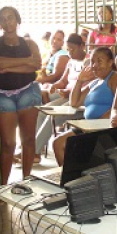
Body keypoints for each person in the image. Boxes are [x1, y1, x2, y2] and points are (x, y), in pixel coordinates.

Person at [0, 6, 42, 185]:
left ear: (17, 20)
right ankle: (3, 185)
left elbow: (37, 65)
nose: (7, 21)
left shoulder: (29, 43)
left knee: (28, 139)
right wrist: (26, 61)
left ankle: (26, 181)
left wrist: (8, 67)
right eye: (3, 19)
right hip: (2, 95)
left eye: (10, 17)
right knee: (8, 143)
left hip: (28, 90)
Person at [52, 47, 117, 165]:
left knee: (76, 148)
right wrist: (79, 80)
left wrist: (97, 124)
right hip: (88, 127)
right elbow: (75, 102)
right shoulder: (95, 82)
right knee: (58, 143)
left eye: (99, 61)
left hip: (103, 128)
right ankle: (69, 181)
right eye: (92, 61)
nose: (95, 65)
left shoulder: (115, 78)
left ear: (110, 62)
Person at [30, 33, 89, 163]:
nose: (70, 52)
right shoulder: (70, 61)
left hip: (80, 98)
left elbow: (88, 85)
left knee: (53, 116)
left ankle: (33, 151)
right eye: (68, 49)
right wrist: (55, 86)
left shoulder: (88, 61)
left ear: (82, 46)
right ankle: (36, 150)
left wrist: (69, 92)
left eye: (73, 49)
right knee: (42, 111)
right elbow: (63, 81)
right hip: (67, 94)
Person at [37, 30, 69, 103]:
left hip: (54, 87)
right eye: (53, 38)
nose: (54, 41)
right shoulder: (48, 54)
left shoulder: (62, 55)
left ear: (62, 43)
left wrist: (37, 81)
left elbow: (56, 76)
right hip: (45, 84)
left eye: (59, 39)